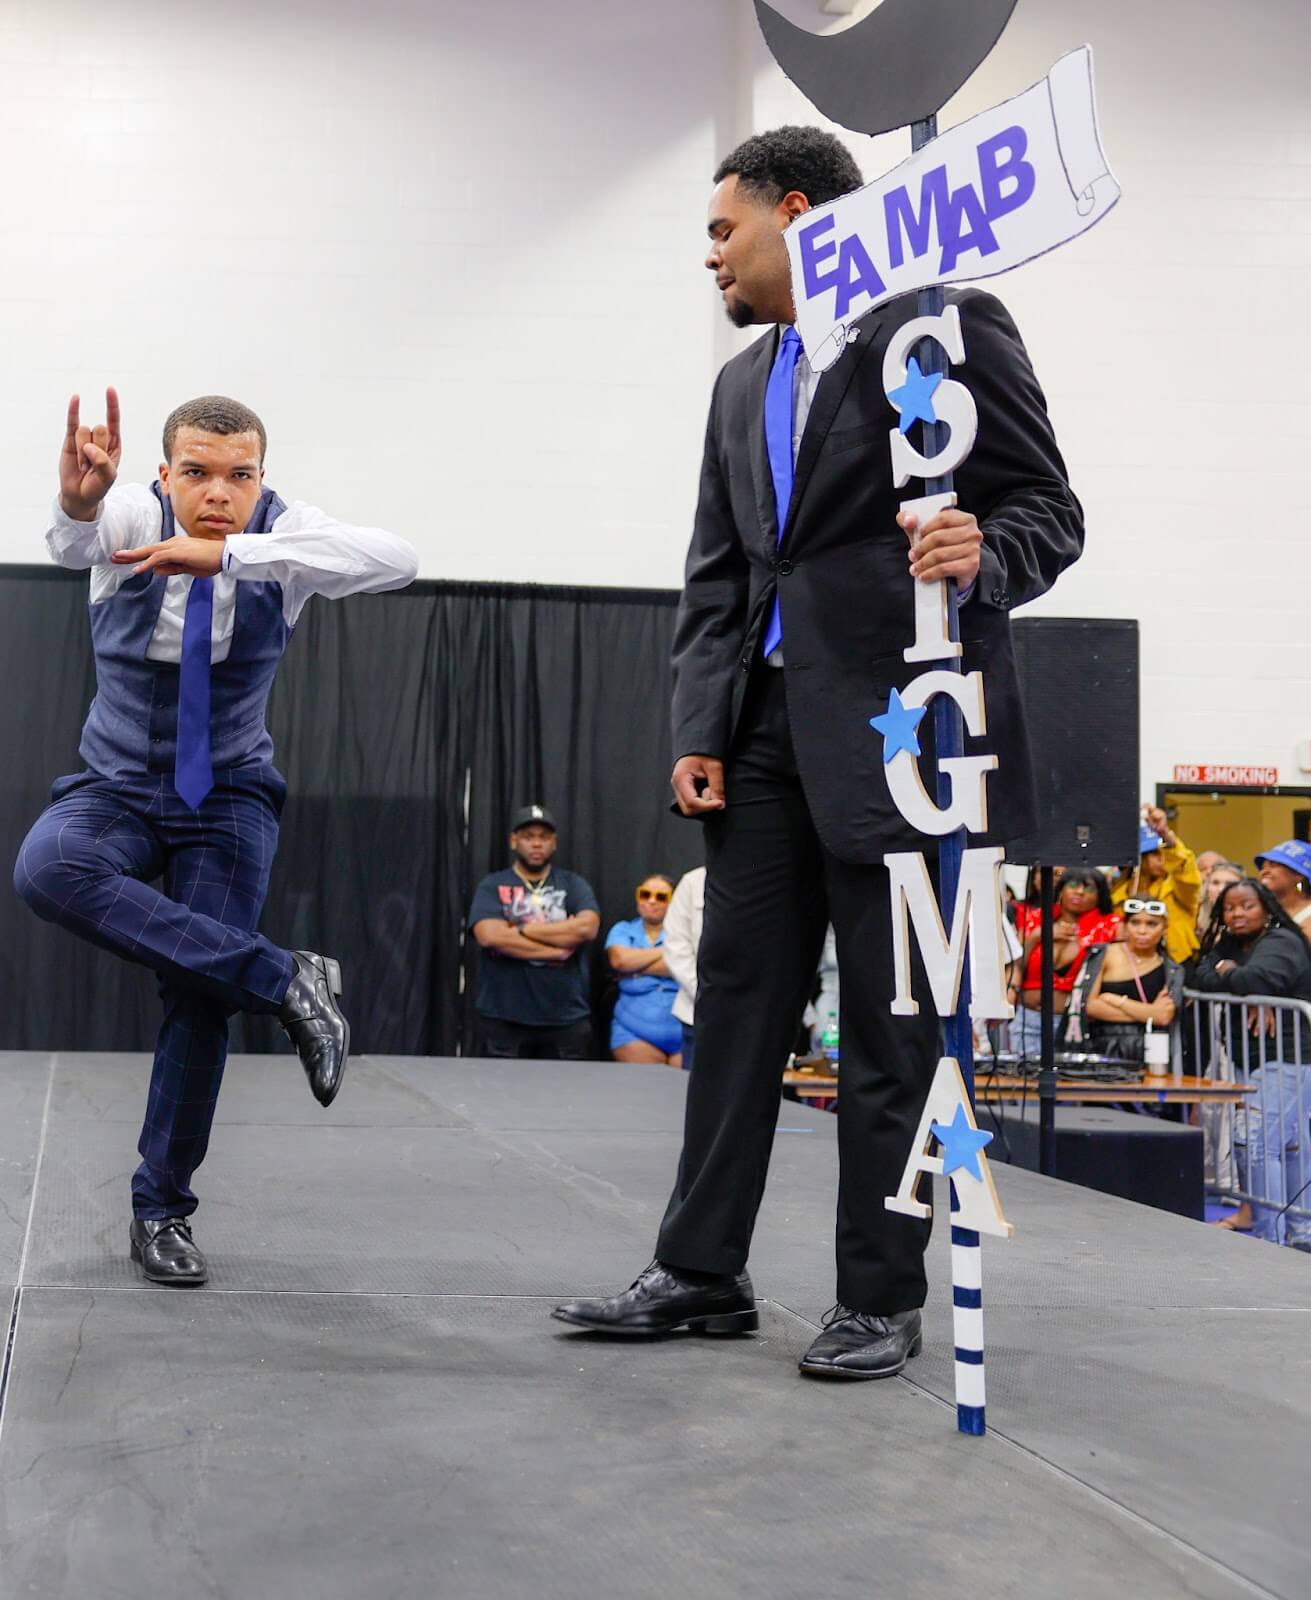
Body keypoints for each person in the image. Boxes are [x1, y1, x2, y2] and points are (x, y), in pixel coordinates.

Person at [553, 126, 1083, 1376]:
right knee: (735, 1009)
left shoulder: (944, 331)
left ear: (799, 213)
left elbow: (1048, 508)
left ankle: (878, 1294)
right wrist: (699, 727)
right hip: (762, 743)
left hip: (906, 741)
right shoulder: (741, 383)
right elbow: (721, 571)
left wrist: (986, 557)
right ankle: (697, 1271)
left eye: (723, 231)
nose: (712, 258)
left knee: (894, 1028)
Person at [12, 390, 419, 1286]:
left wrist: (238, 553)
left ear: (261, 478)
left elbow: (400, 560)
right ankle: (283, 976)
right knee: (47, 865)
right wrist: (80, 498)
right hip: (116, 784)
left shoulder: (281, 537)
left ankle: (161, 1212)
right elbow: (76, 538)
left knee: (198, 994)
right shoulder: (130, 512)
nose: (217, 492)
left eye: (239, 476)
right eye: (196, 474)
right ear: (166, 474)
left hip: (228, 793)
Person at [1192, 878, 1311, 1246]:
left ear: (1266, 908)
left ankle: (1269, 1236)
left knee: (1256, 1142)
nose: (1237, 914)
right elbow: (1200, 976)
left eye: (1247, 906)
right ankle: (1299, 1233)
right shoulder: (1229, 943)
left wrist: (1232, 974)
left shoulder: (1282, 941)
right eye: (1230, 908)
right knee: (1287, 1146)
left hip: (1286, 1057)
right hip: (1248, 1056)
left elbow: (1257, 976)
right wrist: (1240, 981)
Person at [468, 806, 600, 1059]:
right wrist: (559, 949)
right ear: (513, 841)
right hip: (504, 1017)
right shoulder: (493, 885)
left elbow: (587, 927)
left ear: (554, 843)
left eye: (544, 837)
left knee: (568, 1097)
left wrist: (520, 928)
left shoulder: (573, 885)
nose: (537, 844)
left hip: (566, 1017)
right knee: (501, 1096)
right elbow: (490, 936)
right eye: (529, 837)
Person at [1007, 869, 1120, 1058]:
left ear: (1100, 895)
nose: (1080, 892)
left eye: (1089, 888)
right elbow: (1016, 966)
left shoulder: (1111, 926)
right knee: (1022, 1083)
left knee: (1068, 1085)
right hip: (1026, 1019)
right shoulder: (1035, 919)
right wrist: (1036, 937)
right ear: (1060, 891)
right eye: (1073, 885)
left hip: (1074, 1024)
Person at [1064, 899, 1182, 1065]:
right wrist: (1149, 1013)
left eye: (1151, 924)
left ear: (1164, 927)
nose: (1142, 931)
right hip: (1100, 1047)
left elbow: (1162, 1016)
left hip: (1148, 1050)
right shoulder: (1104, 954)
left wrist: (1115, 1000)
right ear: (1125, 925)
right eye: (1135, 923)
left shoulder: (1171, 969)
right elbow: (1089, 1006)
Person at [605, 876, 683, 1066]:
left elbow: (687, 965)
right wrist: (667, 951)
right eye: (645, 894)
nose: (652, 901)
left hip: (685, 1033)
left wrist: (637, 966)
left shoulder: (686, 932)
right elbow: (621, 961)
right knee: (649, 1087)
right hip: (633, 1032)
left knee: (682, 1090)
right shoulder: (622, 930)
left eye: (661, 897)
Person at [1112, 804, 1201, 965]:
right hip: (1127, 961)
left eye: (1164, 852)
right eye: (1155, 853)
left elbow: (1184, 868)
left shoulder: (1178, 885)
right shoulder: (1119, 891)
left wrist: (1165, 835)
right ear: (1140, 858)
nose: (1162, 858)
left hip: (1176, 961)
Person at [661, 865, 707, 1073]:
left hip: (753, 1014)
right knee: (699, 1092)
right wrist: (705, 991)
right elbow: (676, 946)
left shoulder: (765, 880)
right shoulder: (693, 882)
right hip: (698, 1010)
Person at [1255, 840, 1311, 945]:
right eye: (1263, 867)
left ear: (1299, 875)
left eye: (1273, 865)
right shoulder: (1263, 914)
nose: (1263, 872)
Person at [1198, 859, 1244, 937]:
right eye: (1215, 883)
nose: (1221, 889)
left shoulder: (1251, 923)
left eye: (1229, 884)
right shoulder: (1195, 919)